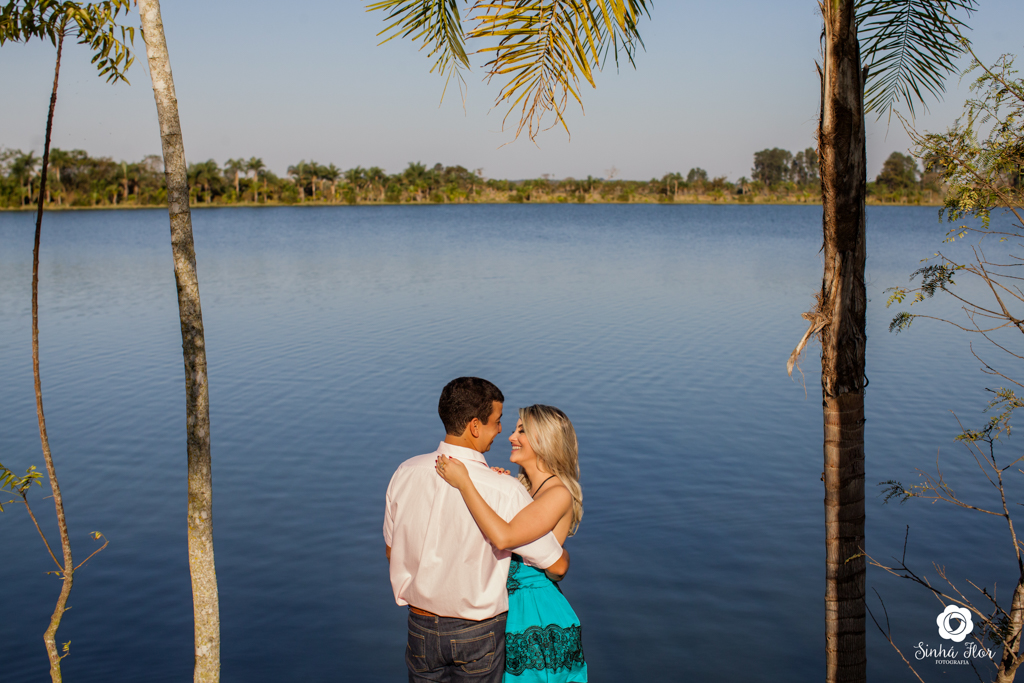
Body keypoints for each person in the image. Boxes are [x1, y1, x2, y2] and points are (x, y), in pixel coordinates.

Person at [384, 378, 570, 682]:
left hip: (419, 627)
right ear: (474, 426)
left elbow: (392, 551)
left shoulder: (404, 473)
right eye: (497, 422)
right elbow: (554, 562)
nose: (501, 431)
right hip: (477, 631)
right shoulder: (504, 490)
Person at [436, 404, 587, 683]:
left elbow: (504, 537)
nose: (510, 436)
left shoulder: (557, 493)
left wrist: (466, 484)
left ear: (545, 439)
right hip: (508, 606)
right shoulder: (521, 487)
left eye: (522, 430)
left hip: (536, 613)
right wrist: (496, 488)